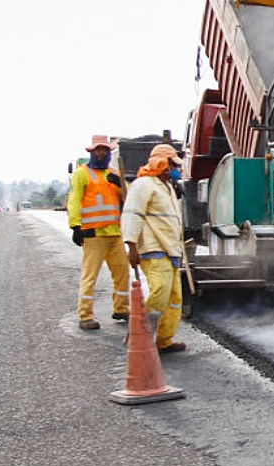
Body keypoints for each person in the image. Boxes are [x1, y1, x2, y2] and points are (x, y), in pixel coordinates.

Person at [121, 143, 187, 354]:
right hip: (153, 247)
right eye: (171, 164)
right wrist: (131, 245)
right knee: (159, 292)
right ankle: (140, 337)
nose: (174, 169)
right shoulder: (143, 185)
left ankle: (164, 340)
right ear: (161, 163)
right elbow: (132, 215)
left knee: (175, 298)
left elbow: (173, 222)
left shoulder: (167, 187)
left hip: (171, 250)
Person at [67, 135, 130, 330]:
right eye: (98, 150)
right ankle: (85, 315)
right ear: (91, 152)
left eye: (104, 150)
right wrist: (76, 226)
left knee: (122, 273)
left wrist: (120, 184)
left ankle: (121, 309)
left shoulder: (114, 173)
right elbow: (74, 200)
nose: (101, 153)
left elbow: (127, 198)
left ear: (109, 152)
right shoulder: (82, 174)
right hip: (93, 234)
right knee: (90, 275)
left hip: (114, 233)